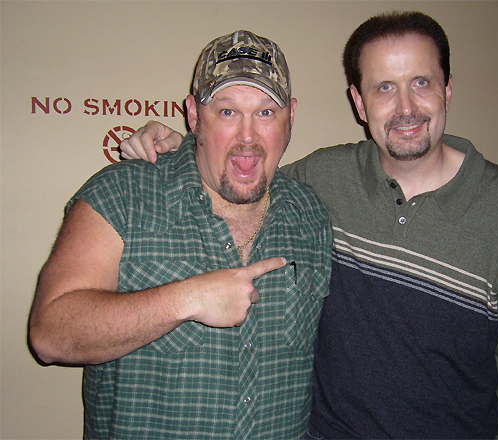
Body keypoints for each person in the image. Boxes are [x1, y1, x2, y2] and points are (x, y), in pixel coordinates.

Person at [120, 11, 498, 439]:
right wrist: (187, 149)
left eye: (421, 82)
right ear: (359, 103)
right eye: (385, 87)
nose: (405, 107)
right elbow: (243, 174)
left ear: (448, 90)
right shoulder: (325, 178)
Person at [29, 30, 332, 440]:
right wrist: (188, 298)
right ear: (193, 115)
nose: (247, 136)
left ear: (290, 117)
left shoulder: (311, 213)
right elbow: (50, 333)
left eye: (265, 112)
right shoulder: (122, 195)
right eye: (226, 112)